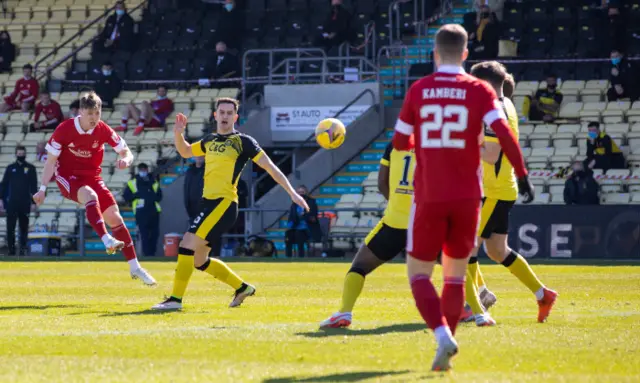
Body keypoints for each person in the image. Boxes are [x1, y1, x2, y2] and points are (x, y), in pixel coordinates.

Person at [391, 24, 533, 371]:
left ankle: (443, 336)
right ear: (466, 54)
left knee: (419, 275)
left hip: (430, 194)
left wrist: (422, 143)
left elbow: (399, 143)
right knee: (455, 275)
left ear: (435, 54)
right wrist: (523, 176)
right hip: (469, 196)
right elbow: (504, 137)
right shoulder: (480, 90)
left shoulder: (420, 89)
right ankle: (449, 338)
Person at [151, 97, 309, 311]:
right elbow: (186, 151)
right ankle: (242, 287)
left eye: (229, 113)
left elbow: (270, 167)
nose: (225, 116)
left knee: (186, 245)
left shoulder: (243, 142)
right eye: (221, 112)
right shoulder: (209, 141)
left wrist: (292, 192)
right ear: (215, 115)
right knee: (199, 260)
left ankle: (175, 300)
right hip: (208, 205)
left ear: (235, 117)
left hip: (224, 204)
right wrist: (178, 134)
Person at [461, 61, 557, 328]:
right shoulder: (508, 105)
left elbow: (490, 155)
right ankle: (543, 294)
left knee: (464, 248)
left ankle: (473, 306)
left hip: (491, 190)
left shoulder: (494, 109)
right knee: (497, 250)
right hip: (501, 188)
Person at [32, 91, 156, 285]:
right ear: (80, 111)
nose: (93, 118)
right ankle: (106, 239)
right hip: (68, 178)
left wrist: (126, 160)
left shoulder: (103, 129)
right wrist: (42, 188)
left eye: (97, 113)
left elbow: (126, 151)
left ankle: (135, 268)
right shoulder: (64, 129)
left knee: (116, 218)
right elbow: (50, 162)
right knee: (90, 196)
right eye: (89, 113)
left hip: (93, 177)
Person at [319, 143, 414, 328]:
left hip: (394, 222)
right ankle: (473, 310)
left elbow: (381, 183)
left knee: (360, 266)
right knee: (457, 266)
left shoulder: (395, 143)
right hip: (425, 223)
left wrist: (396, 204)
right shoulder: (437, 142)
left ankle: (344, 312)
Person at [1, 146, 37, 256]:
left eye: (22, 154)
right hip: (12, 203)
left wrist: (33, 203)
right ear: (16, 154)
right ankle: (11, 251)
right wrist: (1, 200)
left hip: (25, 203)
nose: (20, 156)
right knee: (10, 228)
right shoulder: (10, 168)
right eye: (19, 154)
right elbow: (3, 185)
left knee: (24, 228)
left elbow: (34, 186)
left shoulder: (31, 168)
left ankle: (22, 250)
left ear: (25, 154)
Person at [123, 163, 162, 257]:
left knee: (154, 234)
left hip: (154, 211)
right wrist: (136, 195)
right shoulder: (132, 182)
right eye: (141, 170)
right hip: (141, 212)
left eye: (144, 169)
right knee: (144, 234)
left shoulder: (154, 181)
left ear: (147, 170)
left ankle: (152, 253)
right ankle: (147, 254)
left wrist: (150, 197)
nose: (143, 171)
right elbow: (126, 196)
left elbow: (159, 196)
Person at [284, 185, 318, 258]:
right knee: (288, 235)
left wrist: (305, 215)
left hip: (308, 228)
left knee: (299, 234)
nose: (300, 194)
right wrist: (289, 227)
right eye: (299, 192)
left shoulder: (312, 203)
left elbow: (313, 218)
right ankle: (288, 258)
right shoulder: (294, 204)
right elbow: (291, 218)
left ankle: (301, 257)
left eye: (302, 192)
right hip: (296, 227)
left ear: (306, 193)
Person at [183, 156, 205, 222]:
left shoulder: (209, 170)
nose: (199, 157)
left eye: (201, 155)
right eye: (197, 155)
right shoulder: (189, 171)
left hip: (205, 208)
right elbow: (186, 189)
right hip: (192, 210)